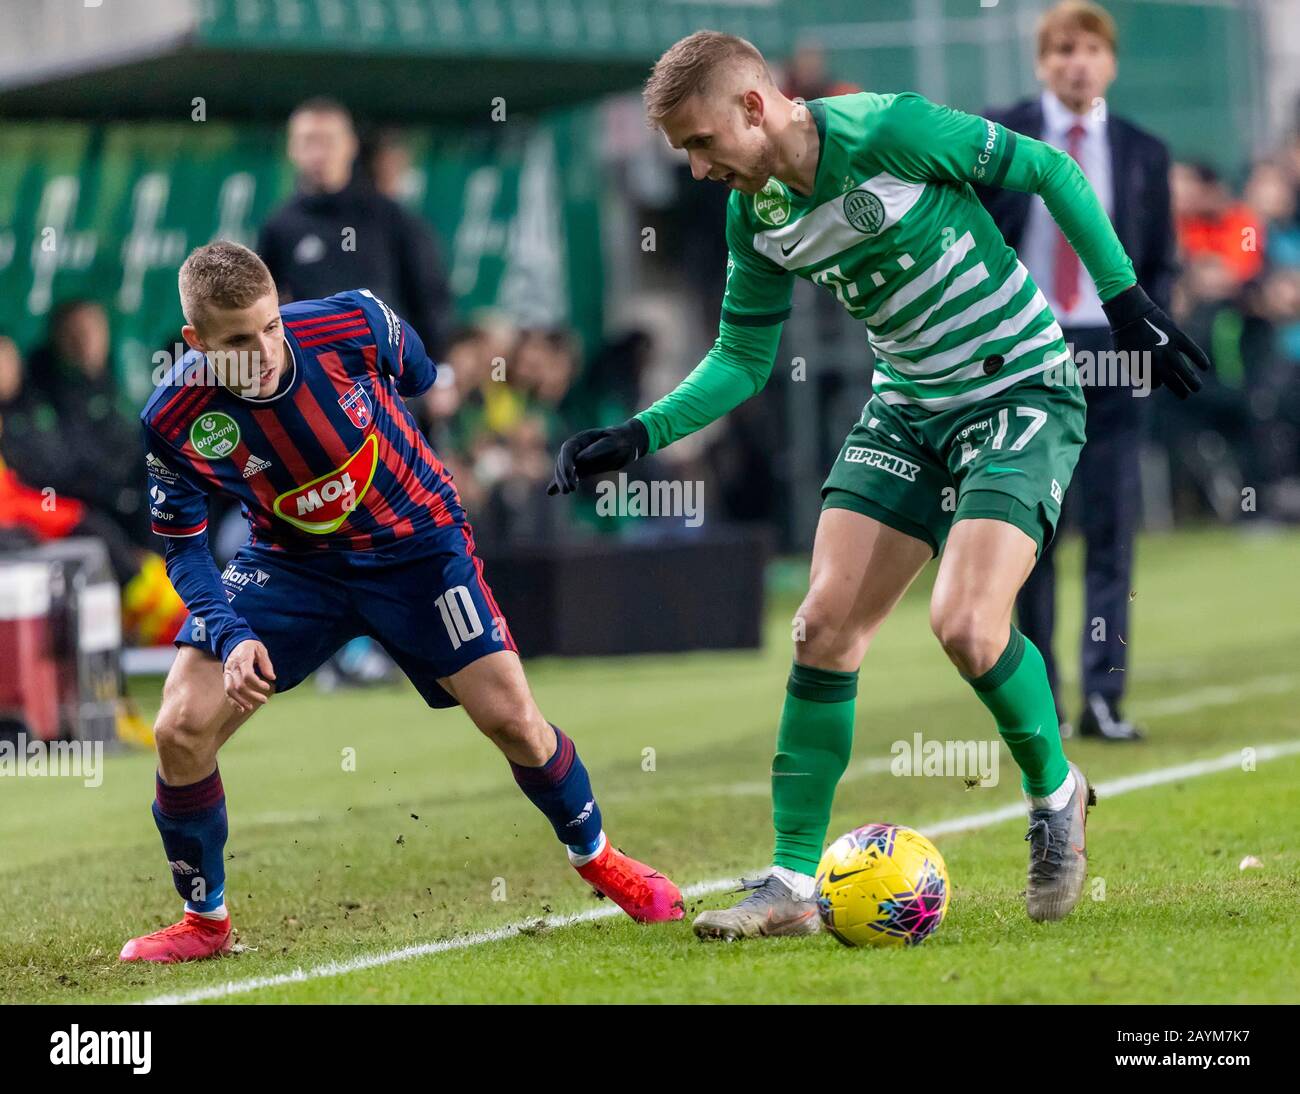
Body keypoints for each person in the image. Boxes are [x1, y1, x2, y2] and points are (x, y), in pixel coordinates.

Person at [549, 31, 1209, 940]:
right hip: (907, 410)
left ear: (753, 106)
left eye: (700, 144)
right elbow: (744, 360)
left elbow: (1049, 168)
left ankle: (1057, 795)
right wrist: (638, 433)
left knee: (968, 626)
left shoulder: (888, 128)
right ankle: (790, 884)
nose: (698, 170)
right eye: (683, 155)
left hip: (1019, 389)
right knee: (822, 627)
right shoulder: (757, 213)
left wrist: (1125, 302)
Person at [119, 242, 682, 964]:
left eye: (269, 327)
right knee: (179, 726)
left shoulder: (352, 322)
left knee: (513, 719)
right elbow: (185, 549)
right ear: (195, 344)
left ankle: (600, 858)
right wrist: (230, 639)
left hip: (417, 547)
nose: (261, 351)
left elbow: (420, 371)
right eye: (235, 341)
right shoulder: (172, 418)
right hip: (291, 565)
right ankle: (204, 921)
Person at [979, 1, 1178, 741]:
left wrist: (1153, 339)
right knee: (1030, 539)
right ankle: (1042, 702)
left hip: (1114, 351)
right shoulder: (1000, 136)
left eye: (1091, 48)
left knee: (1113, 530)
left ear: (1111, 62)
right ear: (1041, 62)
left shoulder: (1142, 151)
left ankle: (1104, 697)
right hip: (1028, 353)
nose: (1077, 62)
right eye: (1062, 49)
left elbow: (1159, 259)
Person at [257, 98, 448, 357]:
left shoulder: (392, 218)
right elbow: (264, 309)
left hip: (385, 377)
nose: (318, 153)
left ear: (350, 145)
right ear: (292, 149)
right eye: (308, 142)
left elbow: (430, 299)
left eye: (328, 141)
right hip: (314, 378)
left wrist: (438, 367)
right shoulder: (279, 227)